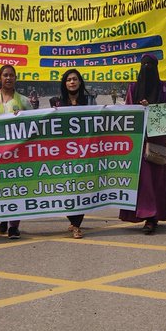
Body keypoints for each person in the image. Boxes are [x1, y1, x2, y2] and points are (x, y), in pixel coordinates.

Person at [119, 54, 166, 234]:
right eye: (144, 65)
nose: (147, 69)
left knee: (156, 180)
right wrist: (140, 107)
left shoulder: (165, 88)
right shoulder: (133, 87)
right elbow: (128, 111)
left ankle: (153, 216)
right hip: (138, 141)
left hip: (157, 141)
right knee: (141, 181)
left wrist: (152, 107)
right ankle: (141, 214)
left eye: (150, 65)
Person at [0, 64, 32, 239]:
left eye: (11, 75)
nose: (8, 78)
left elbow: (35, 124)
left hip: (18, 155)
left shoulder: (24, 101)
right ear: (0, 78)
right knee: (0, 190)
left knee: (16, 190)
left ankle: (13, 226)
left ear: (16, 78)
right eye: (5, 75)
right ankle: (3, 218)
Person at [56, 68, 93, 238]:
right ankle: (72, 219)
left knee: (81, 188)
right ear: (65, 83)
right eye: (69, 79)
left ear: (80, 82)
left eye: (75, 79)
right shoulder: (56, 103)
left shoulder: (89, 101)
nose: (72, 82)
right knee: (66, 189)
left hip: (85, 152)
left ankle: (77, 224)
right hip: (63, 154)